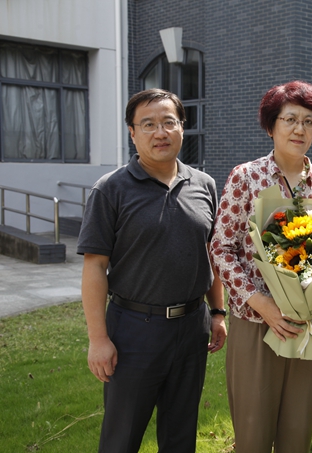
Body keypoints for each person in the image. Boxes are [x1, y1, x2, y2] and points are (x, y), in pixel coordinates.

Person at [78, 88, 227, 453]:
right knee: (121, 438)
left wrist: (218, 312)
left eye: (168, 122)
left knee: (180, 436)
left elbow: (211, 253)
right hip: (133, 331)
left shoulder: (204, 185)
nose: (160, 132)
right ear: (132, 133)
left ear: (182, 127)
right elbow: (95, 266)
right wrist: (98, 339)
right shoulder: (110, 190)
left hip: (192, 328)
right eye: (148, 124)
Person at [210, 80, 312, 453]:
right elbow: (221, 247)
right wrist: (259, 302)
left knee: (297, 435)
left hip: (307, 327)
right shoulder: (246, 177)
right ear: (271, 125)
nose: (300, 129)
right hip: (255, 323)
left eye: (309, 122)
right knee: (252, 436)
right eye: (290, 119)